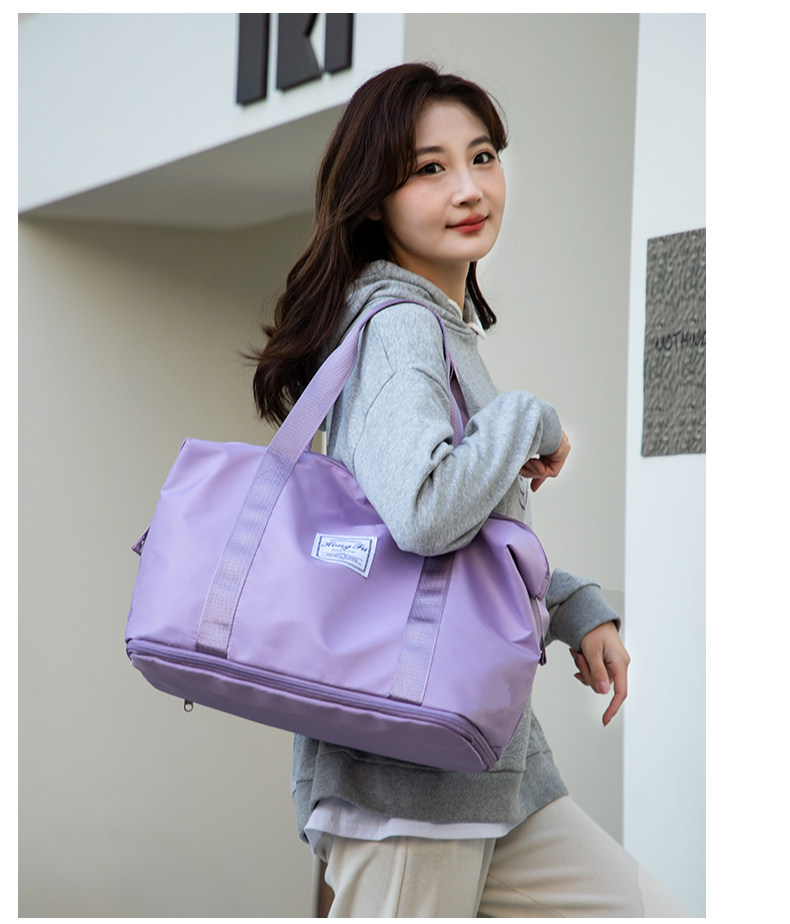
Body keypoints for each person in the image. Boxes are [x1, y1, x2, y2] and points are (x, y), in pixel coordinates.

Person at [248, 63, 686, 918]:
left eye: (482, 156)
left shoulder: (443, 331)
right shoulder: (400, 326)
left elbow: (454, 550)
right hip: (410, 785)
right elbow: (424, 515)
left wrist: (571, 605)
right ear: (374, 200)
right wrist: (525, 417)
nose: (469, 187)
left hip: (487, 772)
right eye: (429, 168)